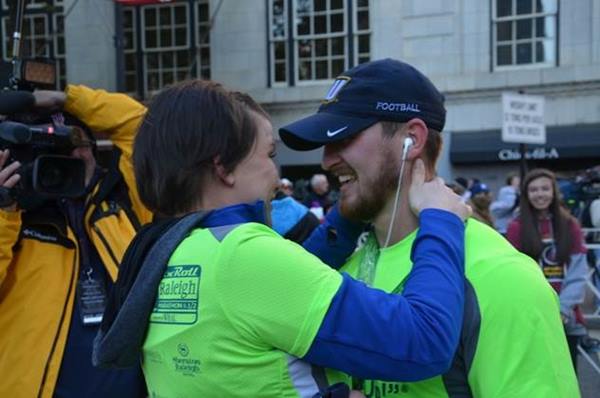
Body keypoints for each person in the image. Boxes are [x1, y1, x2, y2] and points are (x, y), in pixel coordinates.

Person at [93, 79, 471, 397]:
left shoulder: (167, 250)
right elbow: (424, 340)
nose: (276, 174)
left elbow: (280, 295)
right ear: (223, 166)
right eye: (269, 154)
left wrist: (352, 212)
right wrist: (441, 222)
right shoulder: (245, 257)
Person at [279, 58, 579, 397]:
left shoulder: (502, 278)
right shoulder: (341, 267)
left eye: (344, 136)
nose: (326, 159)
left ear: (413, 138)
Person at [0, 85, 151, 397]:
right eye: (57, 145)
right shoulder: (14, 217)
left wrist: (65, 97)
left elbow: (141, 125)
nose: (73, 153)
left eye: (78, 140)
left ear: (95, 148)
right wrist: (5, 211)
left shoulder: (126, 201)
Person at [506, 168, 588, 373]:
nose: (540, 194)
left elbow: (578, 273)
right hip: (532, 315)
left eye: (545, 188)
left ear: (554, 192)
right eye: (533, 190)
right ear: (526, 195)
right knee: (536, 376)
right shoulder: (516, 227)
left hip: (566, 316)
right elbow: (513, 274)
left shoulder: (570, 225)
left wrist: (562, 310)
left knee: (567, 376)